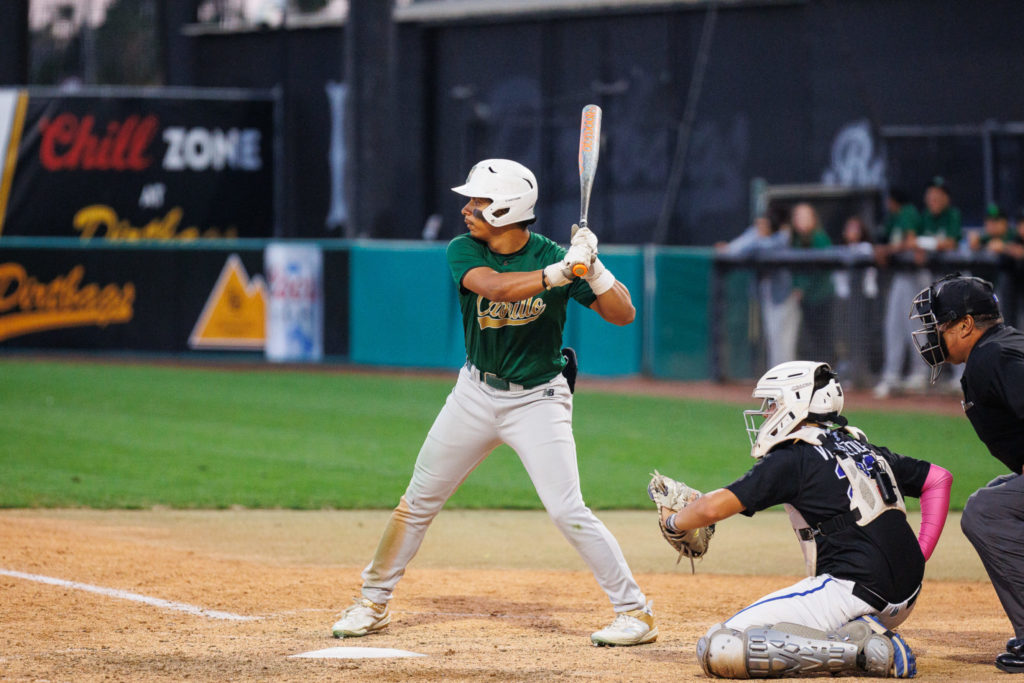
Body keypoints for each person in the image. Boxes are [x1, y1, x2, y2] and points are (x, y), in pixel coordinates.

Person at [330, 158, 656, 647]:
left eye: (478, 202)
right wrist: (559, 273)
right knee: (417, 502)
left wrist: (596, 269)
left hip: (540, 400)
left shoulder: (555, 257)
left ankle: (635, 612)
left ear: (506, 209)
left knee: (568, 510)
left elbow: (624, 314)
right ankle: (372, 602)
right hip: (475, 395)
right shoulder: (466, 250)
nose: (467, 209)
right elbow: (496, 289)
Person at [659, 360, 953, 678]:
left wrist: (673, 523)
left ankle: (864, 652)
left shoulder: (792, 458)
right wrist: (919, 554)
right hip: (906, 593)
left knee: (720, 647)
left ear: (794, 402)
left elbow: (713, 508)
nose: (767, 413)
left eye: (772, 403)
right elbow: (939, 478)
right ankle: (859, 634)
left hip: (853, 592)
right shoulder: (860, 445)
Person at [909, 273, 1024, 674]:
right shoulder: (997, 349)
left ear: (965, 325)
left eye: (939, 324)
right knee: (1001, 494)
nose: (933, 334)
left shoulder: (994, 356)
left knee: (986, 510)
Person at [874, 188, 930, 398]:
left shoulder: (908, 212)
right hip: (901, 275)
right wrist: (883, 249)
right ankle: (892, 375)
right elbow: (884, 240)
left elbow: (910, 241)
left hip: (917, 275)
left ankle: (920, 374)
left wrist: (887, 250)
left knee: (916, 325)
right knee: (893, 325)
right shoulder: (894, 217)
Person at [789, 203, 834, 363]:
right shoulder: (796, 240)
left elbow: (819, 269)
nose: (800, 220)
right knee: (807, 341)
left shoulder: (819, 237)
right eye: (797, 217)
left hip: (822, 298)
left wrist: (802, 287)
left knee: (823, 338)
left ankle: (827, 374)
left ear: (813, 219)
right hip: (806, 301)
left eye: (804, 216)